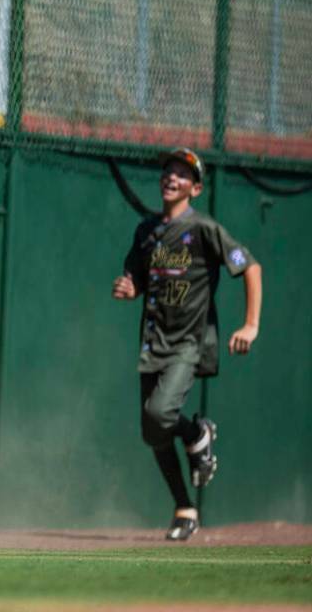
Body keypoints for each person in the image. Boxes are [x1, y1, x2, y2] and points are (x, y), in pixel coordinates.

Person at [112, 148, 262, 541]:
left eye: (182, 174)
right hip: (152, 343)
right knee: (152, 431)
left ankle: (196, 434)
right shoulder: (147, 231)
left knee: (161, 414)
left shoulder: (204, 229)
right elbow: (137, 278)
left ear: (195, 188)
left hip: (188, 343)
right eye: (168, 171)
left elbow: (250, 266)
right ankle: (185, 508)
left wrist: (250, 324)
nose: (171, 178)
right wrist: (130, 288)